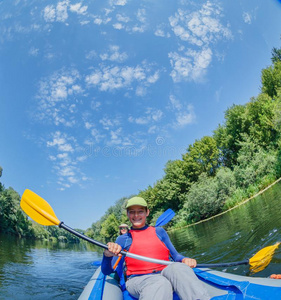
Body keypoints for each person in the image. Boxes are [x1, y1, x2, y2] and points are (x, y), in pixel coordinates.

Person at [101, 196, 210, 300]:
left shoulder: (160, 232)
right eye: (132, 212)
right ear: (127, 214)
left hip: (165, 271)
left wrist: (184, 259)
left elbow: (176, 256)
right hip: (138, 279)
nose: (136, 215)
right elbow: (108, 271)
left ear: (147, 212)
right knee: (159, 282)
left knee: (179, 268)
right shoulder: (122, 239)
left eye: (140, 211)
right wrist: (107, 255)